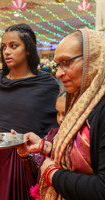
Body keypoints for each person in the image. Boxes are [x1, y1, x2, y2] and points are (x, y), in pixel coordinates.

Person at [18, 28, 105, 200]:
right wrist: (46, 147)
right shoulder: (83, 103)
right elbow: (81, 157)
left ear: (93, 59)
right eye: (58, 65)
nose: (58, 73)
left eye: (66, 62)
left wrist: (52, 174)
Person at [0, 23, 59, 200]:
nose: (6, 52)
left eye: (14, 46)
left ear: (28, 49)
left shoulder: (47, 85)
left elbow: (56, 129)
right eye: (4, 47)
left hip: (32, 160)